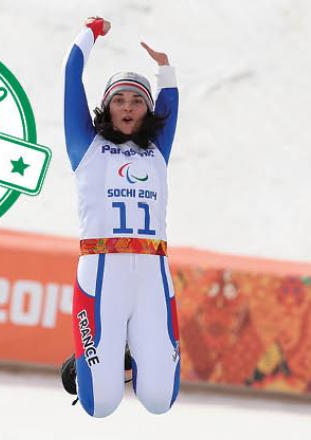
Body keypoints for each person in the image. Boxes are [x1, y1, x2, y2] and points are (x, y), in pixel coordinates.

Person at [62, 16, 180, 417]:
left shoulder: (157, 152)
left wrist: (165, 69)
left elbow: (171, 101)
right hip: (100, 271)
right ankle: (88, 362)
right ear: (106, 107)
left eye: (137, 102)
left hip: (153, 271)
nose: (128, 107)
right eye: (119, 100)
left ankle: (127, 349)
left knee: (160, 401)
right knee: (102, 405)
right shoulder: (86, 145)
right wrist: (90, 32)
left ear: (148, 112)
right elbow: (71, 78)